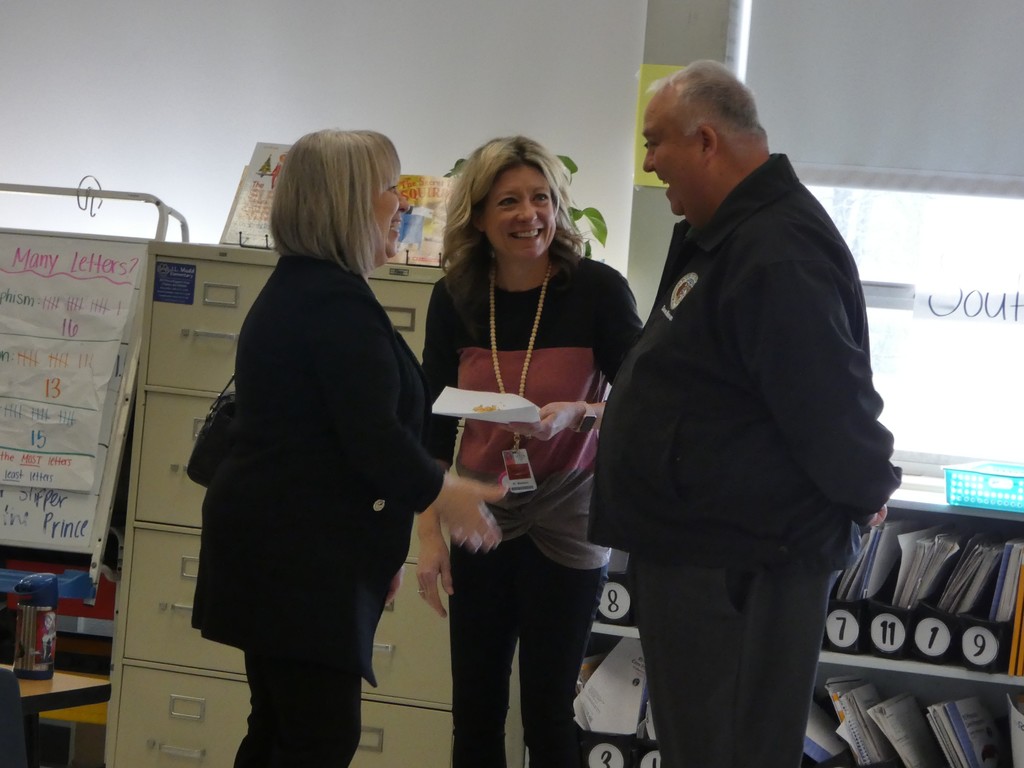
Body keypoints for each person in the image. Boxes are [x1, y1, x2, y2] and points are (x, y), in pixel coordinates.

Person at [589, 61, 902, 768]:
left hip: (744, 564)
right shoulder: (726, 232)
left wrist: (869, 486)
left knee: (731, 748)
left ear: (705, 141)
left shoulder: (776, 248)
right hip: (704, 552)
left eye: (656, 141)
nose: (647, 161)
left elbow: (828, 402)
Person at [191, 128, 503, 768]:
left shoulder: (310, 291)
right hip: (297, 561)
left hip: (291, 553)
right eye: (390, 189)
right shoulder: (330, 302)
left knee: (281, 729)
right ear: (347, 203)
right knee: (317, 738)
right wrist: (448, 494)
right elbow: (371, 438)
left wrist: (379, 548)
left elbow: (341, 441)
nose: (401, 205)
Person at [416, 135, 642, 768]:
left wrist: (583, 412)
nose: (528, 215)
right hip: (477, 515)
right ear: (480, 217)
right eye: (508, 201)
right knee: (476, 713)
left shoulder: (596, 291)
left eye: (541, 198)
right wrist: (429, 537)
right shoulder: (456, 295)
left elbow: (647, 401)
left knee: (548, 712)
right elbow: (430, 431)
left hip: (568, 518)